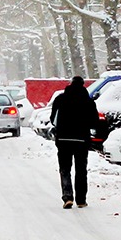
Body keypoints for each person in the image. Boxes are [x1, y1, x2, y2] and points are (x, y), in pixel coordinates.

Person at [48, 76, 98, 208]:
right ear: (83, 85)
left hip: (63, 139)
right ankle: (81, 200)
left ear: (70, 84)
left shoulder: (60, 99)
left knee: (65, 169)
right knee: (81, 170)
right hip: (81, 140)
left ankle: (67, 197)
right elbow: (94, 122)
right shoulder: (89, 102)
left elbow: (53, 119)